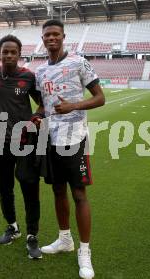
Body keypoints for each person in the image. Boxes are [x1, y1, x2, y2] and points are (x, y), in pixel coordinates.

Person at [34, 19, 105, 279]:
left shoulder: (78, 62)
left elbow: (100, 98)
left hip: (75, 138)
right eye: (47, 35)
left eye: (55, 34)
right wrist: (37, 114)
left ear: (63, 37)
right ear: (42, 39)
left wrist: (74, 106)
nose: (51, 38)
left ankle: (84, 251)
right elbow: (45, 104)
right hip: (51, 138)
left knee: (79, 194)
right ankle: (65, 239)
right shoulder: (40, 71)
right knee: (57, 190)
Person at [0, 35, 42, 259]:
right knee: (4, 186)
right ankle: (12, 226)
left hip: (25, 140)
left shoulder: (28, 77)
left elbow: (42, 101)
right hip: (0, 140)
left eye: (13, 52)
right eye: (5, 51)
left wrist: (36, 116)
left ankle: (32, 235)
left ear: (19, 54)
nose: (9, 55)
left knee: (29, 186)